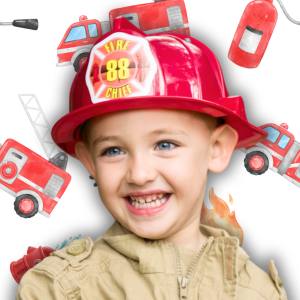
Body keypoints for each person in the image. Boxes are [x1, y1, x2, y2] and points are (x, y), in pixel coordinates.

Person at [16, 18, 288, 300]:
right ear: (89, 161)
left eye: (165, 144)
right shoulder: (57, 290)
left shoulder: (257, 291)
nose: (140, 174)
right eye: (113, 151)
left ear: (217, 148)